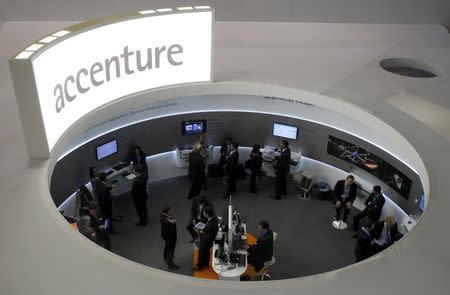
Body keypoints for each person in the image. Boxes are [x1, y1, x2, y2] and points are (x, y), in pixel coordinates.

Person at [194, 206, 218, 270]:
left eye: (204, 213)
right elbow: (205, 222)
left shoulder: (211, 225)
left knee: (201, 251)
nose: (203, 214)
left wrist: (202, 232)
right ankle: (206, 263)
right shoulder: (213, 217)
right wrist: (199, 224)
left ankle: (199, 266)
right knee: (206, 251)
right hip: (209, 238)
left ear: (207, 214)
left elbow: (207, 231)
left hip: (207, 239)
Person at [160, 206, 179, 270]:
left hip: (166, 235)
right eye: (170, 210)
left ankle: (165, 257)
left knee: (167, 247)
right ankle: (171, 265)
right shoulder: (165, 218)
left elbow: (166, 220)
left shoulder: (162, 215)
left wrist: (171, 220)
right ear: (167, 211)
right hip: (170, 236)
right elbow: (167, 221)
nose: (171, 212)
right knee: (170, 250)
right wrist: (172, 221)